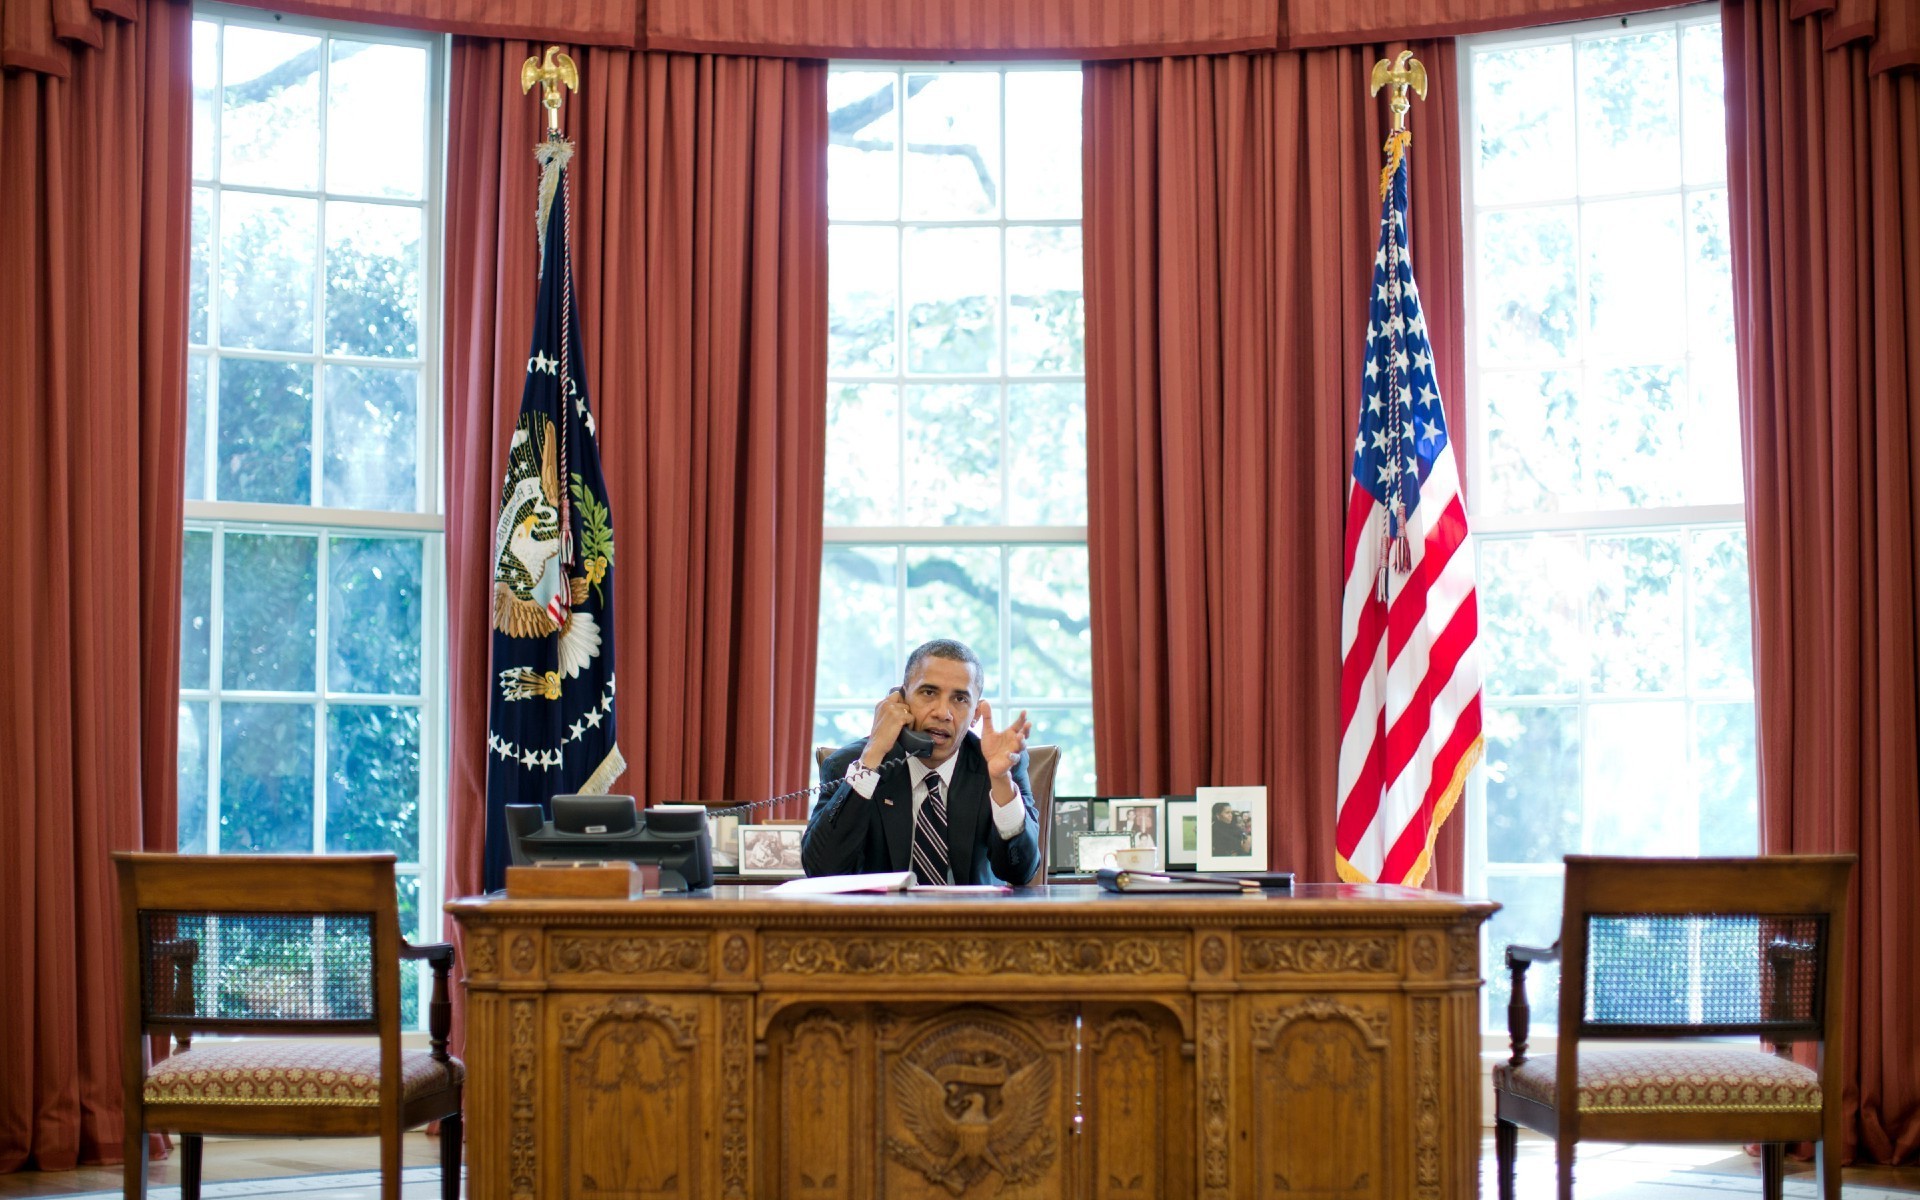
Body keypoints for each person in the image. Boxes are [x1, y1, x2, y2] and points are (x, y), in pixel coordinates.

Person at [802, 639, 1039, 886]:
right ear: (900, 700)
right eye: (929, 693)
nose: (942, 713)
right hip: (883, 922)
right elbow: (822, 871)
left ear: (975, 715)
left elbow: (1020, 872)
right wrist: (872, 756)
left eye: (959, 699)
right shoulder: (850, 765)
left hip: (971, 921)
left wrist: (1001, 782)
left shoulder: (999, 767)